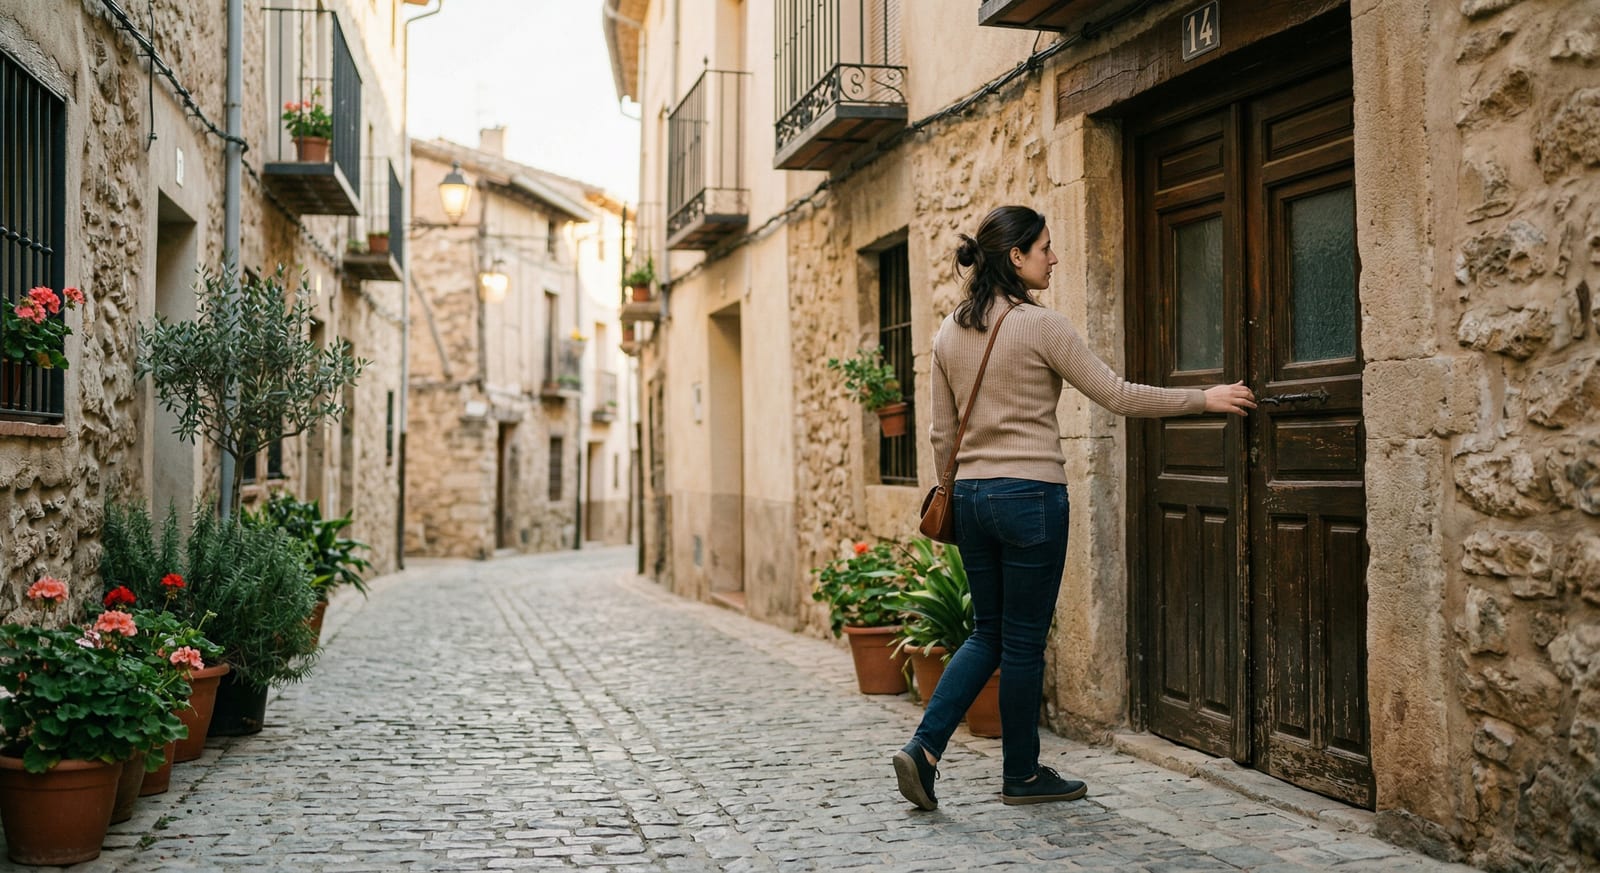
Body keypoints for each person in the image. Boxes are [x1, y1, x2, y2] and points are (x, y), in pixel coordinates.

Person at [892, 205, 1255, 809]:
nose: (1053, 258)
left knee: (987, 633)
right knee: (1024, 642)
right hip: (1030, 495)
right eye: (1045, 248)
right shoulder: (1042, 326)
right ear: (1016, 257)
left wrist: (959, 489)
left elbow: (939, 432)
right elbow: (1115, 394)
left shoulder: (947, 333)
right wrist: (1204, 397)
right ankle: (1022, 775)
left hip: (971, 497)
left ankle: (924, 749)